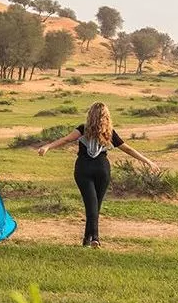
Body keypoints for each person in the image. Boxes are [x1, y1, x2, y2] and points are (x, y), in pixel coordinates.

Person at [36, 101, 160, 247]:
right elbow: (128, 149)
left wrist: (47, 146)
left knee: (92, 205)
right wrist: (147, 161)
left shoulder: (83, 129)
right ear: (106, 116)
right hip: (102, 169)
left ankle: (89, 238)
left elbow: (66, 139)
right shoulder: (109, 133)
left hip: (83, 169)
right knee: (94, 205)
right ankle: (94, 238)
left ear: (90, 115)